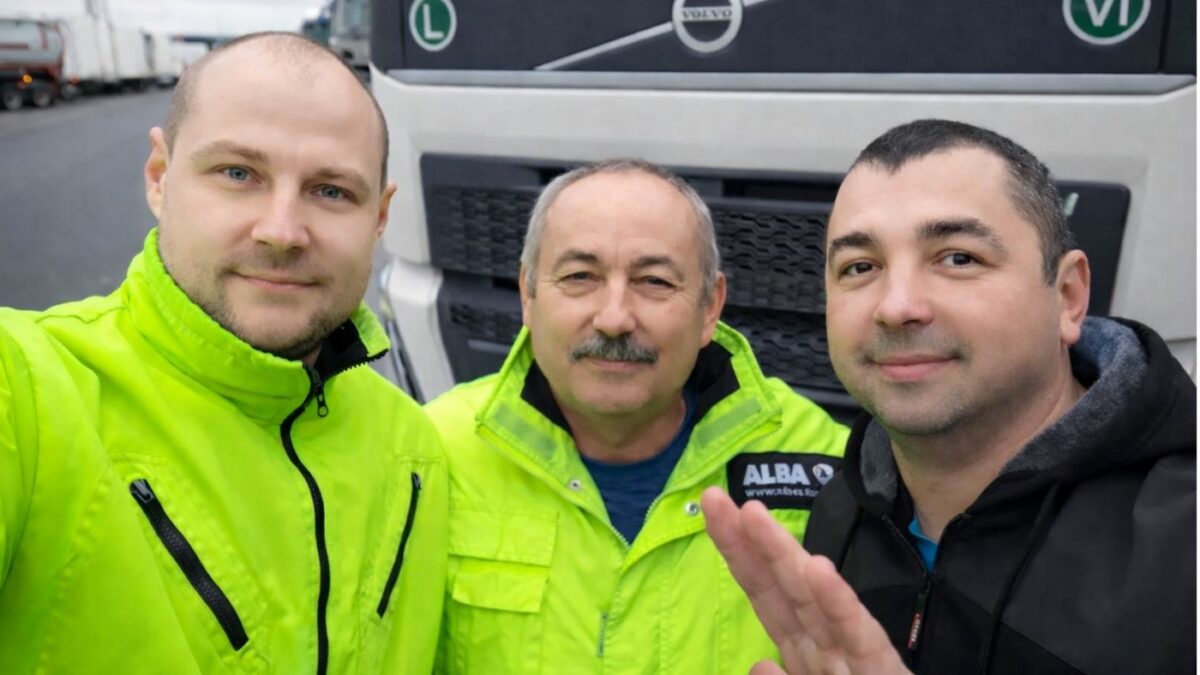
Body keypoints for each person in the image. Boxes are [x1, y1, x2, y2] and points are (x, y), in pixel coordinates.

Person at [0, 32, 447, 673]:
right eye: (238, 174)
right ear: (160, 178)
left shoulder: (416, 450)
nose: (282, 231)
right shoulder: (29, 392)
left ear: (379, 218)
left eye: (331, 192)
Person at [703, 119, 1196, 674]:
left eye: (958, 258)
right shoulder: (842, 511)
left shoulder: (1184, 546)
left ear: (1067, 296)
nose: (897, 306)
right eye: (860, 267)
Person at [423, 158, 849, 672]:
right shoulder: (432, 454)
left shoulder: (824, 463)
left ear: (710, 307)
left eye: (654, 281)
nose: (615, 318)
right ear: (528, 295)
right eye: (580, 276)